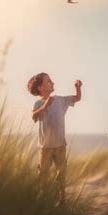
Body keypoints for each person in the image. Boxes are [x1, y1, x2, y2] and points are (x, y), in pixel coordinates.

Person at [27, 72, 82, 205]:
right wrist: (45, 106)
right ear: (40, 87)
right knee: (43, 174)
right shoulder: (38, 103)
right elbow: (34, 117)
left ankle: (62, 201)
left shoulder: (60, 100)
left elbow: (77, 98)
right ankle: (43, 200)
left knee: (61, 173)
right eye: (49, 81)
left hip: (60, 145)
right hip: (45, 147)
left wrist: (78, 87)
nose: (53, 83)